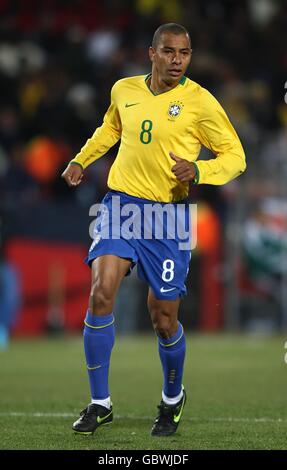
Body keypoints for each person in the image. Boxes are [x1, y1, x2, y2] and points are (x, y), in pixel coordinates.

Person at [61, 23, 246, 437]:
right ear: (152, 53)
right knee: (101, 291)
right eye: (169, 52)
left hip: (168, 217)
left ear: (190, 56)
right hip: (121, 205)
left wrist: (200, 169)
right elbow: (111, 128)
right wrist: (81, 160)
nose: (177, 59)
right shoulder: (124, 89)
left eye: (184, 53)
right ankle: (100, 403)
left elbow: (235, 157)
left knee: (163, 318)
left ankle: (172, 398)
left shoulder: (200, 101)